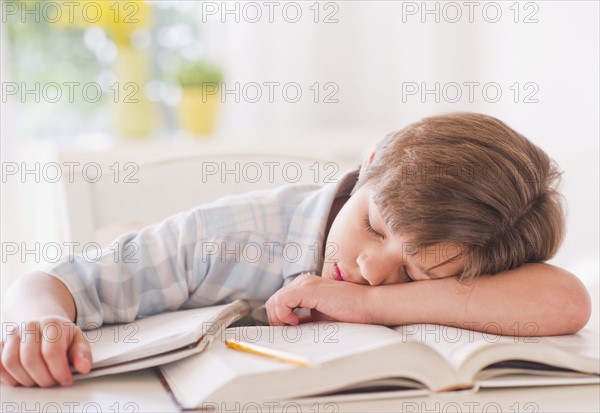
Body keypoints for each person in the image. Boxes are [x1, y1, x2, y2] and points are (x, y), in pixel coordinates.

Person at [0, 113, 591, 388]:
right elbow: (54, 282)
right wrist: (41, 323)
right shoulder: (230, 235)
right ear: (371, 165)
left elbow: (565, 302)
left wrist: (366, 308)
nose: (368, 271)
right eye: (376, 228)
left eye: (411, 273)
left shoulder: (471, 244)